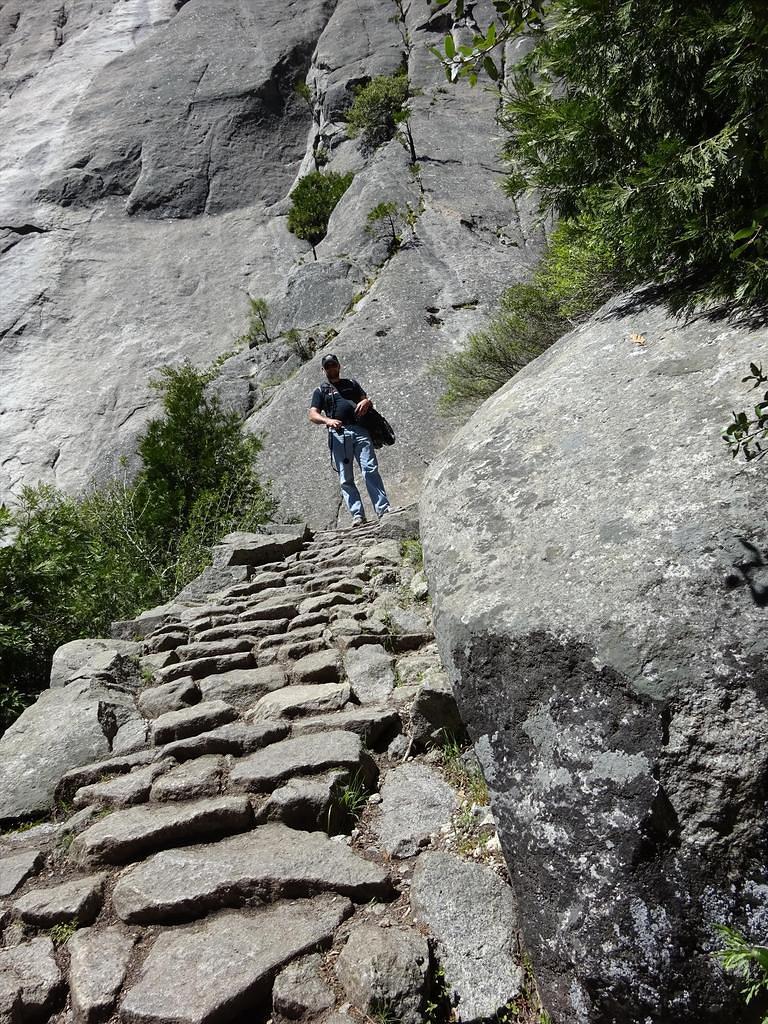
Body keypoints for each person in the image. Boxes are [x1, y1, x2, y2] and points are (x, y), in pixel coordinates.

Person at [309, 353, 391, 527]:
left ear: (339, 366)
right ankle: (357, 516)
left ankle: (383, 509)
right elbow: (312, 414)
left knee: (370, 469)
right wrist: (327, 420)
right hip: (339, 434)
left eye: (334, 365)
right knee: (345, 477)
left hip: (360, 430)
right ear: (323, 369)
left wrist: (367, 402)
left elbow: (365, 400)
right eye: (328, 366)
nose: (331, 368)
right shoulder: (320, 390)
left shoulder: (351, 384)